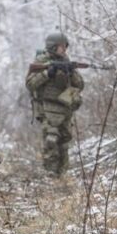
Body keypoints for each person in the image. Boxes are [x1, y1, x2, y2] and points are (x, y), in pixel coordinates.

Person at [25, 32, 85, 176]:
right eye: (61, 46)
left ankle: (62, 174)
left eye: (65, 46)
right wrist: (48, 73)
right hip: (47, 108)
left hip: (64, 109)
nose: (64, 49)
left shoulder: (66, 60)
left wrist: (71, 73)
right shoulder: (41, 61)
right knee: (51, 140)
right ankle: (50, 174)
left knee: (64, 141)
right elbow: (30, 84)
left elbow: (80, 85)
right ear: (52, 47)